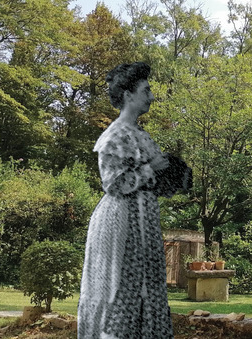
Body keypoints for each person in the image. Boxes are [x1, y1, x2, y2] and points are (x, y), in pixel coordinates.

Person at [78, 62, 191, 338]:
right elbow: (114, 184)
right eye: (146, 90)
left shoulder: (142, 135)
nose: (151, 96)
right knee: (123, 283)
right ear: (129, 95)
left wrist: (175, 177)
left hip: (145, 220)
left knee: (147, 283)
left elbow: (152, 181)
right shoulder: (114, 136)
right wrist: (150, 168)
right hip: (121, 221)